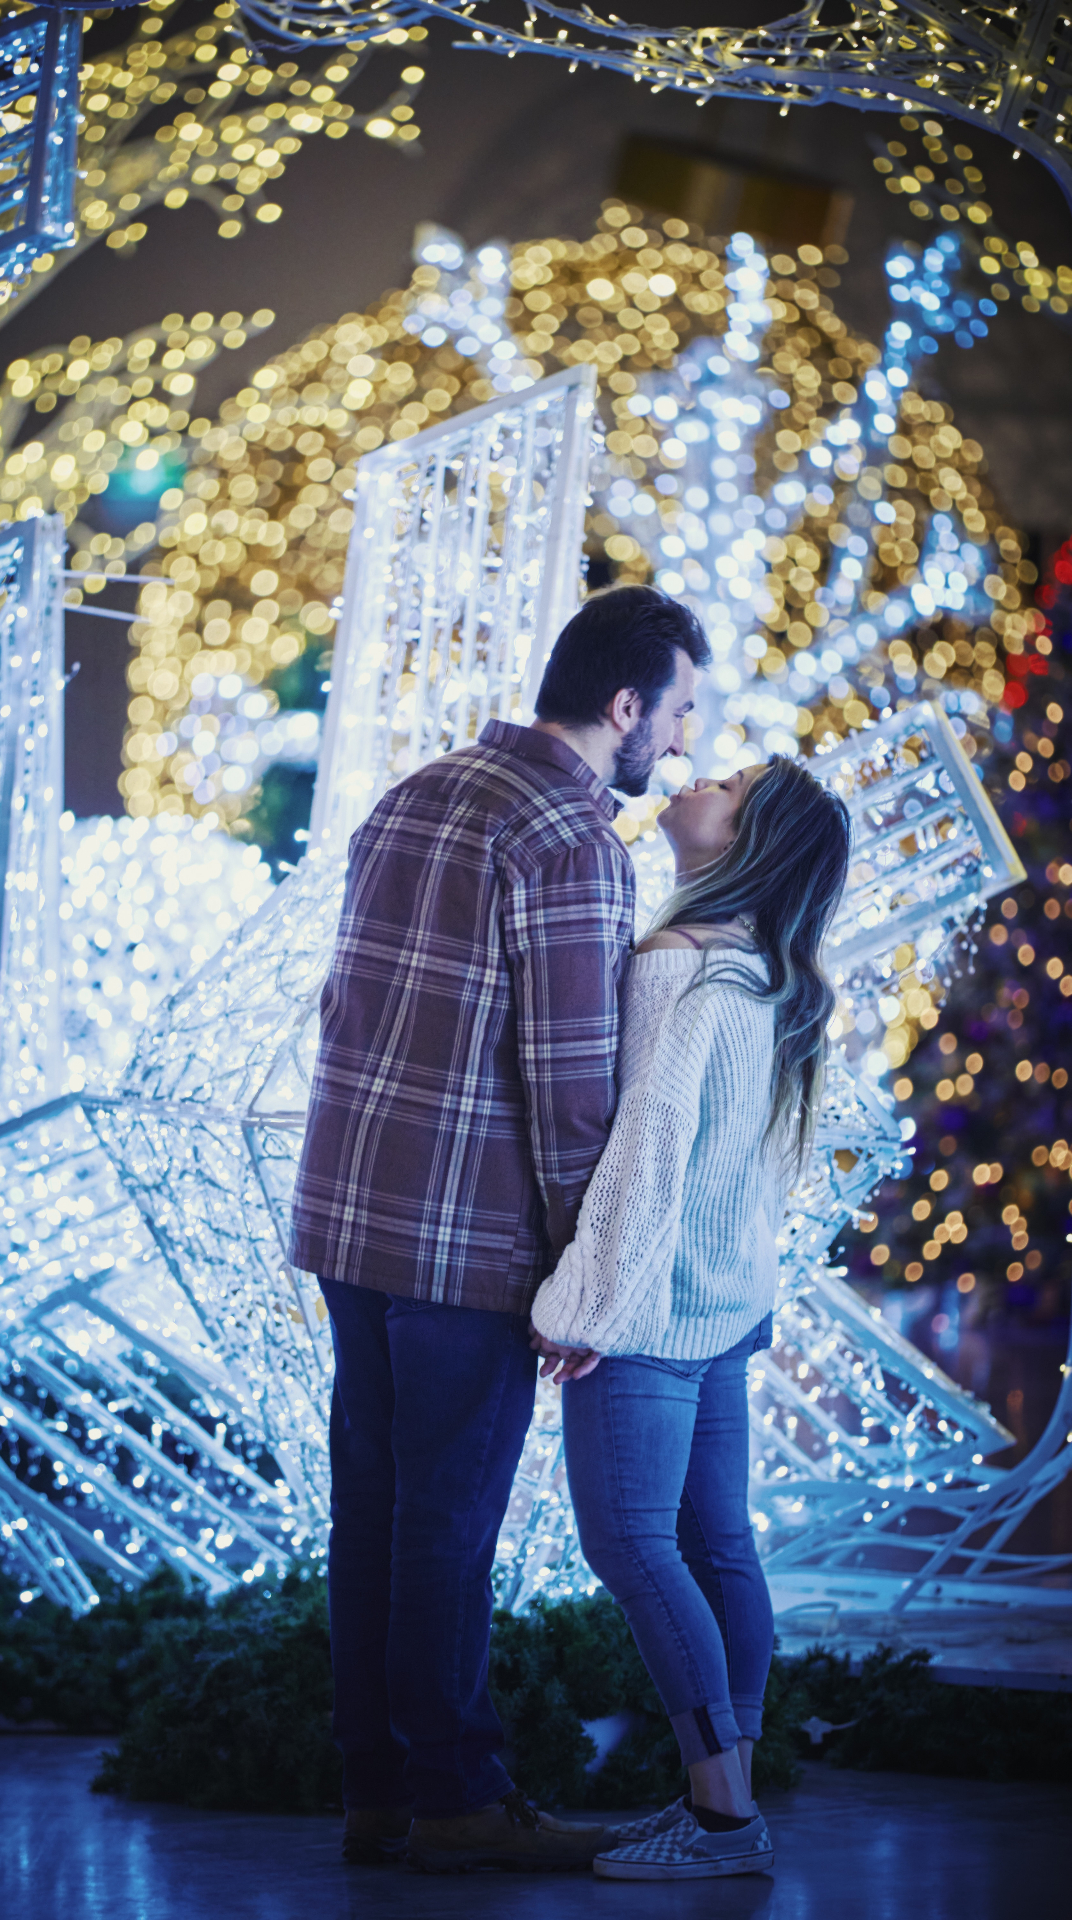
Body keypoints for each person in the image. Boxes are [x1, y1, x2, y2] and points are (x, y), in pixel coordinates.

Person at [289, 585, 711, 1873]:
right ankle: (459, 1797)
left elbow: (340, 1009)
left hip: (352, 1226)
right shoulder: (576, 840)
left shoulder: (415, 792)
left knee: (369, 1516)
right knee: (446, 1528)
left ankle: (377, 1792)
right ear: (623, 704)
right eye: (679, 713)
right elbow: (572, 1084)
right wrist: (589, 1277)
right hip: (463, 1249)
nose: (682, 747)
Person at [530, 753, 851, 1883]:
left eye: (724, 784)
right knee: (717, 1544)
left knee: (628, 1542)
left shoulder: (676, 963)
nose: (692, 778)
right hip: (723, 1308)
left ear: (741, 840)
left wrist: (585, 1304)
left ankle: (719, 1820)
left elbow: (645, 1153)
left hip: (656, 1313)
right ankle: (729, 1798)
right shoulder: (776, 975)